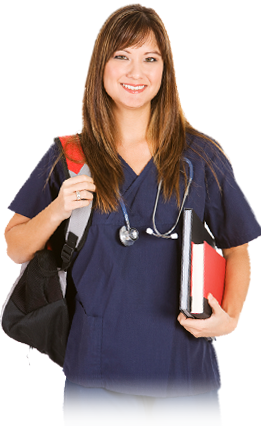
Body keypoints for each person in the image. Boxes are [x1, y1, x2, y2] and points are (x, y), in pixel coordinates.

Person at [5, 4, 260, 426]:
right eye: (121, 56)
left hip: (185, 364)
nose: (135, 71)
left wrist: (227, 317)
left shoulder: (200, 156)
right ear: (100, 67)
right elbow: (13, 246)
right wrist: (57, 209)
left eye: (150, 58)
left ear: (165, 70)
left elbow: (238, 247)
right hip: (97, 367)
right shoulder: (71, 155)